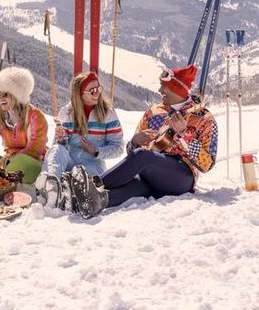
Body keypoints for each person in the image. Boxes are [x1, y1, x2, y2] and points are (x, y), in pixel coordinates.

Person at [68, 65, 218, 219]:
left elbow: (207, 164)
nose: (160, 91)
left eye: (164, 87)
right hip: (151, 175)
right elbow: (132, 157)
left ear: (176, 89)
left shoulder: (203, 118)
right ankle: (88, 201)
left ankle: (92, 186)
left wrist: (184, 134)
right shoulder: (154, 113)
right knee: (136, 187)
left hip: (182, 178)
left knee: (143, 156)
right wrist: (134, 142)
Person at [35, 71, 124, 209]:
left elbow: (118, 147)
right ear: (80, 94)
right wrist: (60, 140)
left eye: (98, 88)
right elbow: (58, 149)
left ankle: (67, 192)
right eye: (92, 91)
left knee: (83, 174)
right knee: (56, 149)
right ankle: (50, 186)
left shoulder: (108, 114)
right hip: (69, 161)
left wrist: (96, 151)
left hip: (93, 165)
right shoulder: (66, 113)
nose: (97, 93)